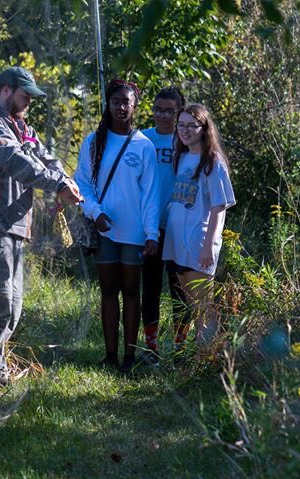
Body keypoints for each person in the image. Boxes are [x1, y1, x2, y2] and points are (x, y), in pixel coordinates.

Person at [0, 66, 82, 384]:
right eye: (25, 95)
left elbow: (45, 157)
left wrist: (64, 179)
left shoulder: (19, 125)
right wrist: (57, 186)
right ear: (6, 90)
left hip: (14, 227)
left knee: (13, 307)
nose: (29, 101)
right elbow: (15, 161)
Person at [74, 79, 160, 375]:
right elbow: (82, 183)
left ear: (135, 105)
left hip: (134, 233)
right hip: (105, 230)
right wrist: (95, 212)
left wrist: (152, 233)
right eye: (116, 102)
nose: (121, 107)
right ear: (107, 105)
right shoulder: (93, 142)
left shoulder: (143, 145)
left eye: (127, 102)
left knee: (132, 291)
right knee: (108, 291)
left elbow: (151, 195)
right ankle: (110, 355)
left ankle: (129, 356)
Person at [162, 103, 235, 358]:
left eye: (191, 125)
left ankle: (210, 358)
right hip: (176, 242)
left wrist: (209, 244)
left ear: (204, 128)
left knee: (204, 305)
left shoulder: (213, 162)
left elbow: (219, 207)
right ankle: (199, 355)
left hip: (198, 242)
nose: (185, 130)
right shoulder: (181, 157)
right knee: (192, 304)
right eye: (181, 125)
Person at [140, 86, 190, 367]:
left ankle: (181, 349)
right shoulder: (143, 139)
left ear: (179, 112)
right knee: (150, 288)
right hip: (150, 228)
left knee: (179, 290)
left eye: (169, 110)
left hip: (180, 228)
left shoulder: (186, 140)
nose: (162, 115)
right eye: (158, 109)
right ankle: (151, 348)